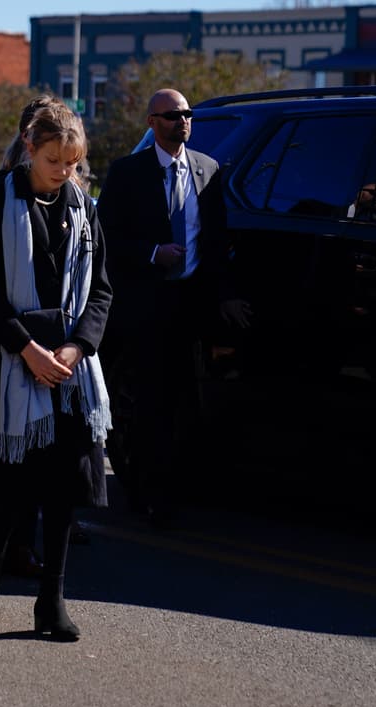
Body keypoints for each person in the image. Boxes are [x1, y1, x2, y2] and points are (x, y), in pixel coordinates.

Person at [0, 102, 111, 641]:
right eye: (53, 161)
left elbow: (101, 291)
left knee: (64, 490)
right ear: (30, 149)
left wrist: (75, 348)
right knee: (6, 485)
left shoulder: (85, 207)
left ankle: (52, 599)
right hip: (13, 361)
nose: (63, 172)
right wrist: (26, 349)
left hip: (71, 373)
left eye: (72, 163)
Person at [97, 88, 247, 527]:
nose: (182, 121)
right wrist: (151, 253)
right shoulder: (128, 173)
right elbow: (108, 237)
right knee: (149, 402)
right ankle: (145, 490)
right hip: (146, 303)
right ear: (151, 122)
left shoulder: (207, 169)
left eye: (187, 114)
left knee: (185, 399)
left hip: (190, 303)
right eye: (171, 115)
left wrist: (226, 295)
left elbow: (217, 243)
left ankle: (176, 487)